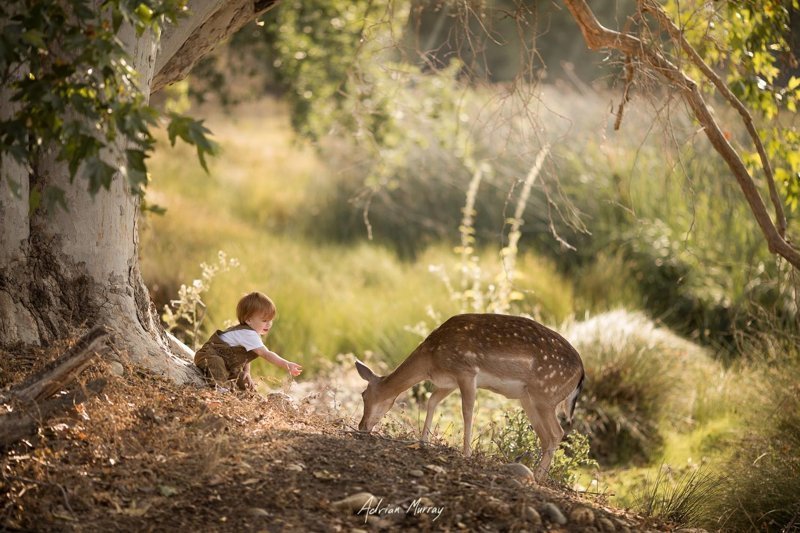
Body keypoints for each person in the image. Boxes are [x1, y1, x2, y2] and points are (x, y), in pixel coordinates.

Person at [194, 291, 302, 391]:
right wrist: (286, 364)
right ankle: (219, 390)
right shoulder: (248, 334)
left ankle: (249, 397)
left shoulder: (251, 334)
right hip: (208, 356)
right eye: (264, 320)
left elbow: (246, 354)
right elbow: (266, 354)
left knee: (243, 378)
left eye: (270, 320)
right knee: (216, 363)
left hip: (227, 365)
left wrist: (247, 371)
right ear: (248, 320)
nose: (269, 324)